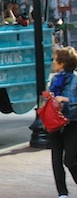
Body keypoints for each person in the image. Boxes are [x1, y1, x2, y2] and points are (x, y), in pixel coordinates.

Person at [48, 47, 77, 198]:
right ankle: (62, 193)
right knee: (56, 158)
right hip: (55, 122)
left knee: (70, 160)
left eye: (56, 60)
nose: (54, 62)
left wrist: (66, 100)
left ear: (63, 63)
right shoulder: (55, 79)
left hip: (72, 122)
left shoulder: (76, 80)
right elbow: (50, 97)